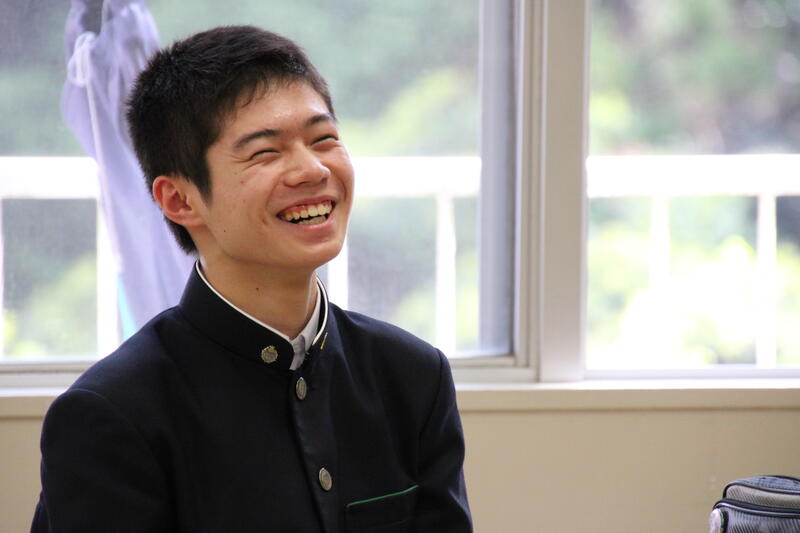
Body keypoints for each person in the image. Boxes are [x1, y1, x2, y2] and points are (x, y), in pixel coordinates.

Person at [30, 25, 472, 533]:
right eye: (265, 152)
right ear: (179, 200)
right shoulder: (112, 415)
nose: (312, 170)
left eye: (324, 139)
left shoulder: (412, 377)